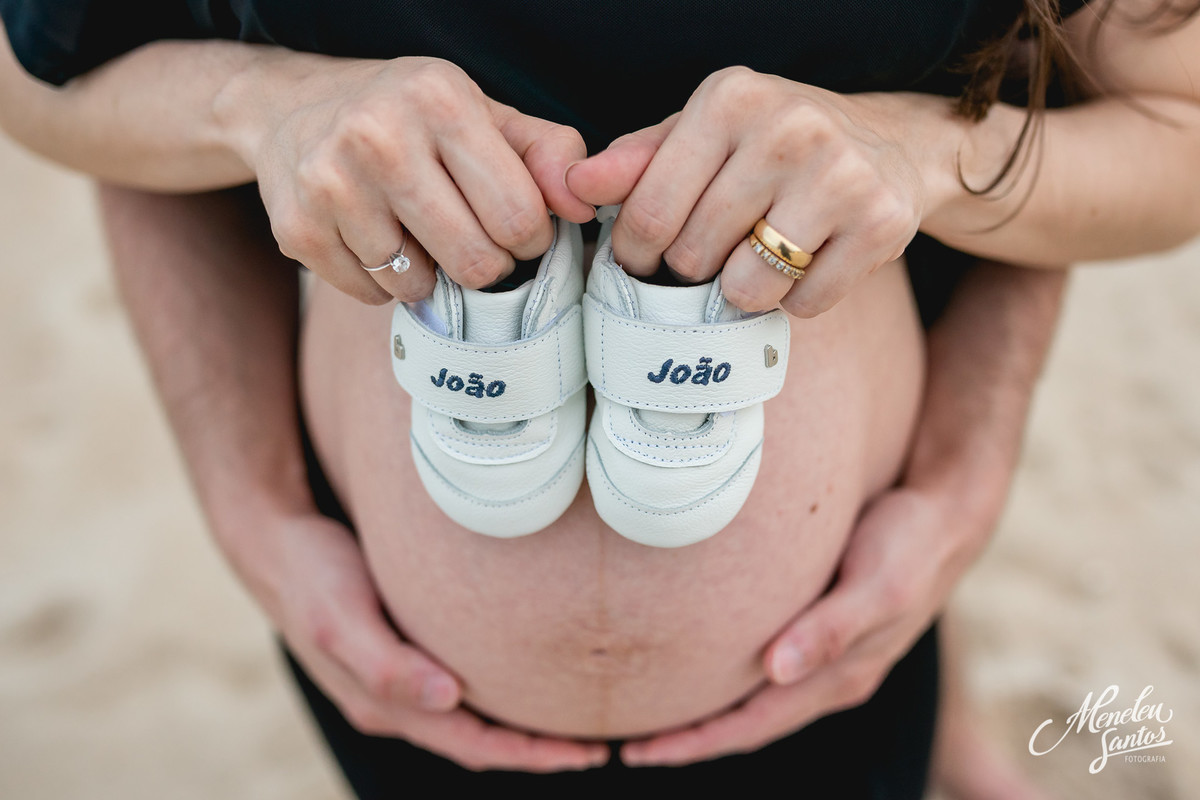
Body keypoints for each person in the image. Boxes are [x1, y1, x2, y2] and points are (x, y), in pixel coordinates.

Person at [1, 0, 1197, 794]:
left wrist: (919, 168)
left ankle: (956, 725)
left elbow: (1122, 90)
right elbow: (57, 61)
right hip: (392, 655)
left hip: (847, 624)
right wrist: (258, 106)